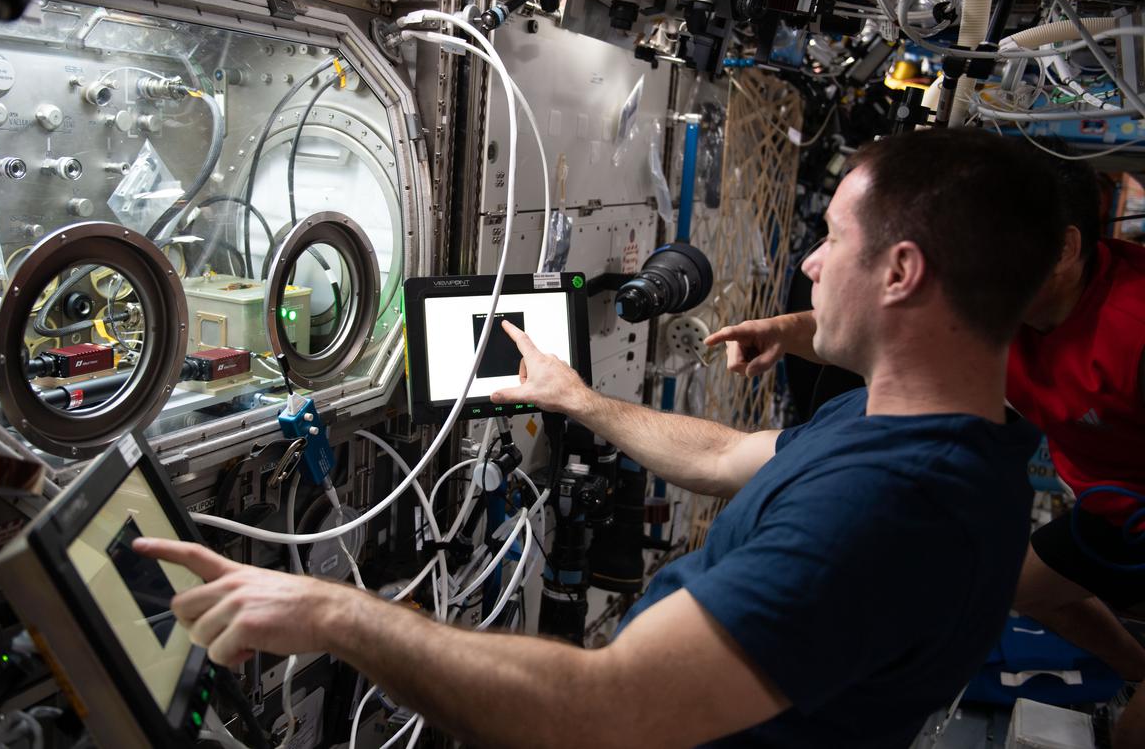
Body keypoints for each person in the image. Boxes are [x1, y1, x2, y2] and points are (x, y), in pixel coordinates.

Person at [136, 128, 1064, 748]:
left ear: (901, 271)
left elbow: (603, 711)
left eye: (830, 237)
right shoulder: (943, 438)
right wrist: (577, 399)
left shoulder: (886, 511)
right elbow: (723, 458)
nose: (812, 262)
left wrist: (332, 615)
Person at [711, 154, 1145, 745]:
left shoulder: (1132, 327)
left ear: (1065, 250)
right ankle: (1133, 664)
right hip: (1112, 510)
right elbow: (877, 319)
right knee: (1016, 588)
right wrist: (782, 332)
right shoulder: (999, 301)